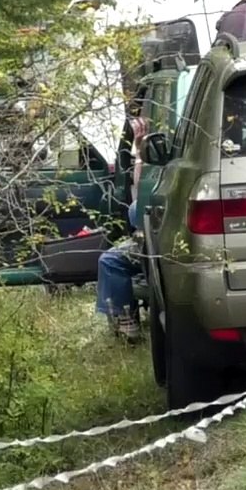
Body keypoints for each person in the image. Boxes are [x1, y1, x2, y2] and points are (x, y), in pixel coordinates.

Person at [95, 115, 151, 342]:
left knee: (110, 260)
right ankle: (126, 319)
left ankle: (127, 321)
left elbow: (141, 189)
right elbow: (141, 189)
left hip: (156, 244)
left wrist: (140, 153)